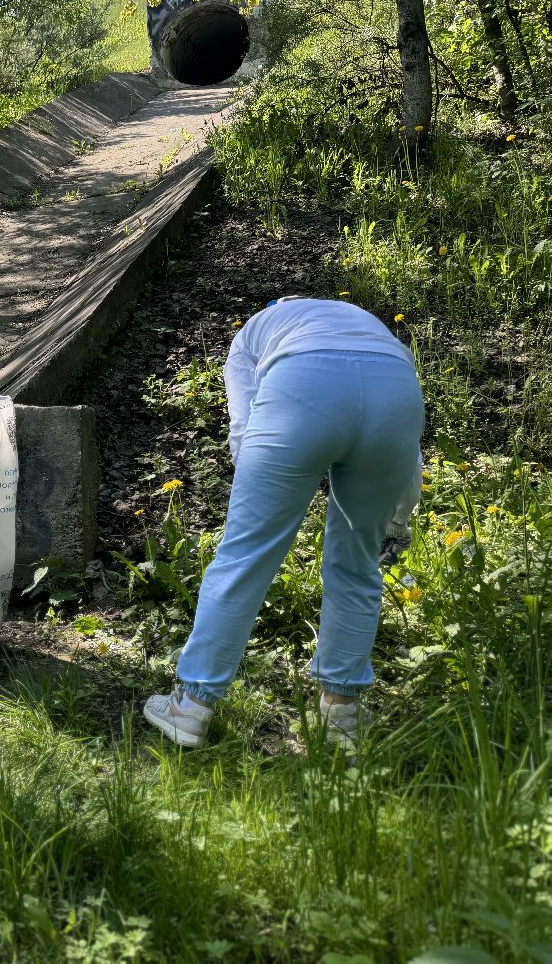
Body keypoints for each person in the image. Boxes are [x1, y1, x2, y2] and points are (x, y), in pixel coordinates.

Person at [143, 296, 424, 749]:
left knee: (244, 557)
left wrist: (263, 493)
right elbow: (411, 458)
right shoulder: (377, 333)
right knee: (357, 565)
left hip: (302, 386)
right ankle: (342, 716)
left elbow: (243, 423)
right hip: (395, 393)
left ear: (280, 307)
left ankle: (191, 709)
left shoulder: (254, 330)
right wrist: (397, 521)